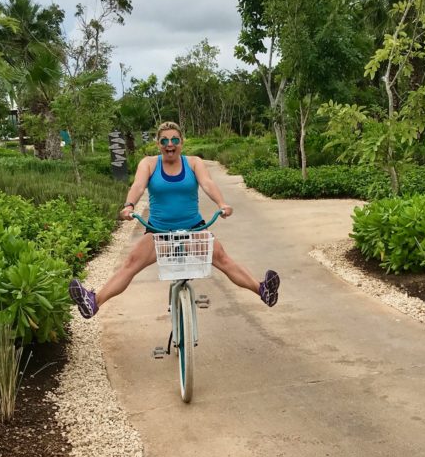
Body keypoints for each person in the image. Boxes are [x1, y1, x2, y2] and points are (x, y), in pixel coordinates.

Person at [69, 121, 280, 318]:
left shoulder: (194, 163)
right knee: (131, 263)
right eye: (164, 141)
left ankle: (262, 290)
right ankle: (93, 302)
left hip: (194, 230)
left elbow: (207, 183)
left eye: (175, 140)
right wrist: (129, 205)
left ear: (182, 142)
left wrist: (221, 204)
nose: (170, 145)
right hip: (158, 232)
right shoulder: (149, 164)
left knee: (223, 258)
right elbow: (138, 186)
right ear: (158, 144)